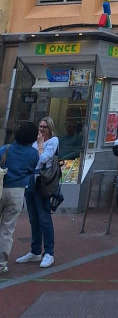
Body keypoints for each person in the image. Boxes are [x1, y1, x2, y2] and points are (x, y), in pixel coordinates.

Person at [16, 115, 59, 269]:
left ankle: (49, 252)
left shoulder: (53, 141)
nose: (41, 129)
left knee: (44, 217)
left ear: (50, 128)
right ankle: (34, 251)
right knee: (33, 218)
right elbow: (29, 159)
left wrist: (40, 144)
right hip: (30, 180)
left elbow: (42, 160)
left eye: (44, 127)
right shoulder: (33, 142)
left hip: (42, 182)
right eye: (40, 126)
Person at [0, 121, 40, 273]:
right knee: (7, 228)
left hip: (1, 186)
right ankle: (1, 263)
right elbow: (31, 169)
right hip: (17, 192)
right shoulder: (33, 154)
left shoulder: (6, 149)